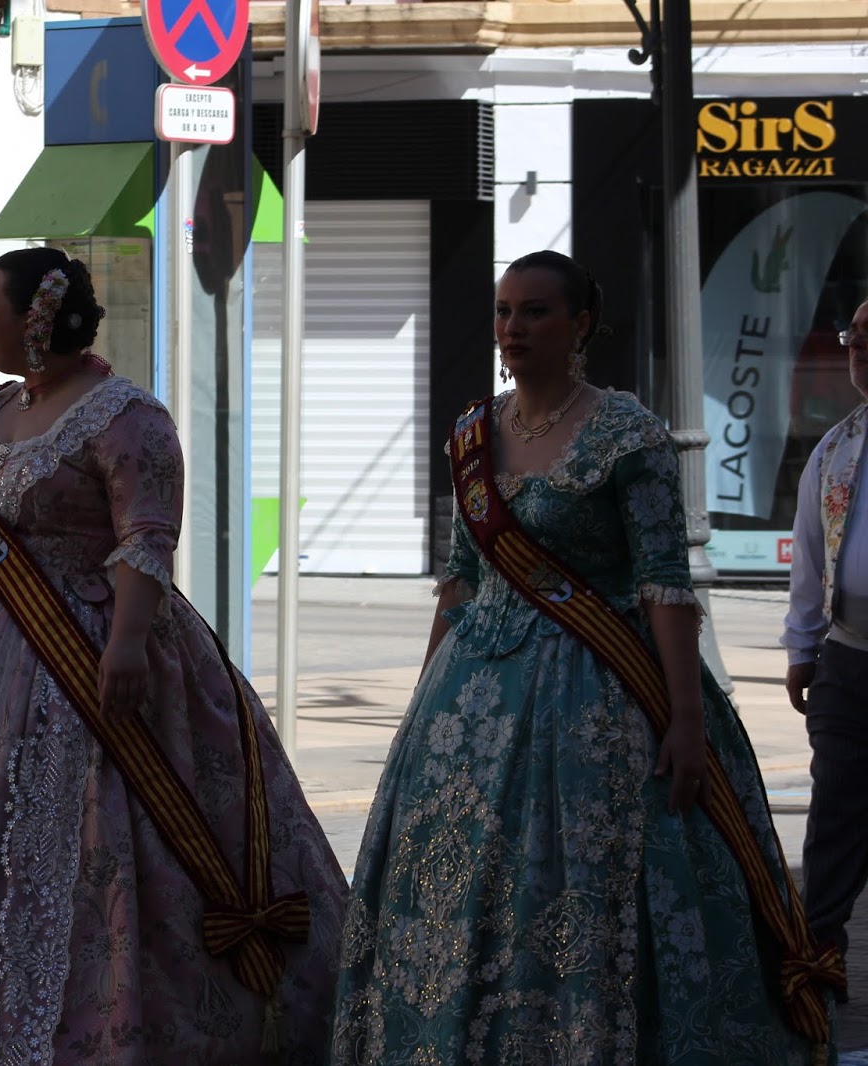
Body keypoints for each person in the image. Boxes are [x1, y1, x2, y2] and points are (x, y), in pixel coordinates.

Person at [0, 247, 347, 1063]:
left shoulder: (128, 416)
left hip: (88, 652)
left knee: (97, 842)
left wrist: (125, 645)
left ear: (37, 319)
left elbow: (146, 539)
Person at [329, 250, 840, 1064]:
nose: (513, 327)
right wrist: (421, 708)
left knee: (588, 882)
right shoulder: (472, 434)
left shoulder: (625, 433)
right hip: (469, 699)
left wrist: (684, 720)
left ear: (581, 325)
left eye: (535, 311)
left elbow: (664, 584)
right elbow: (460, 579)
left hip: (600, 695)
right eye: (504, 311)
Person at [784, 297, 868, 994]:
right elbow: (809, 557)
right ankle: (818, 959)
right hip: (849, 657)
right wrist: (802, 646)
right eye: (854, 337)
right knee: (836, 806)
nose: (858, 348)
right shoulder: (837, 447)